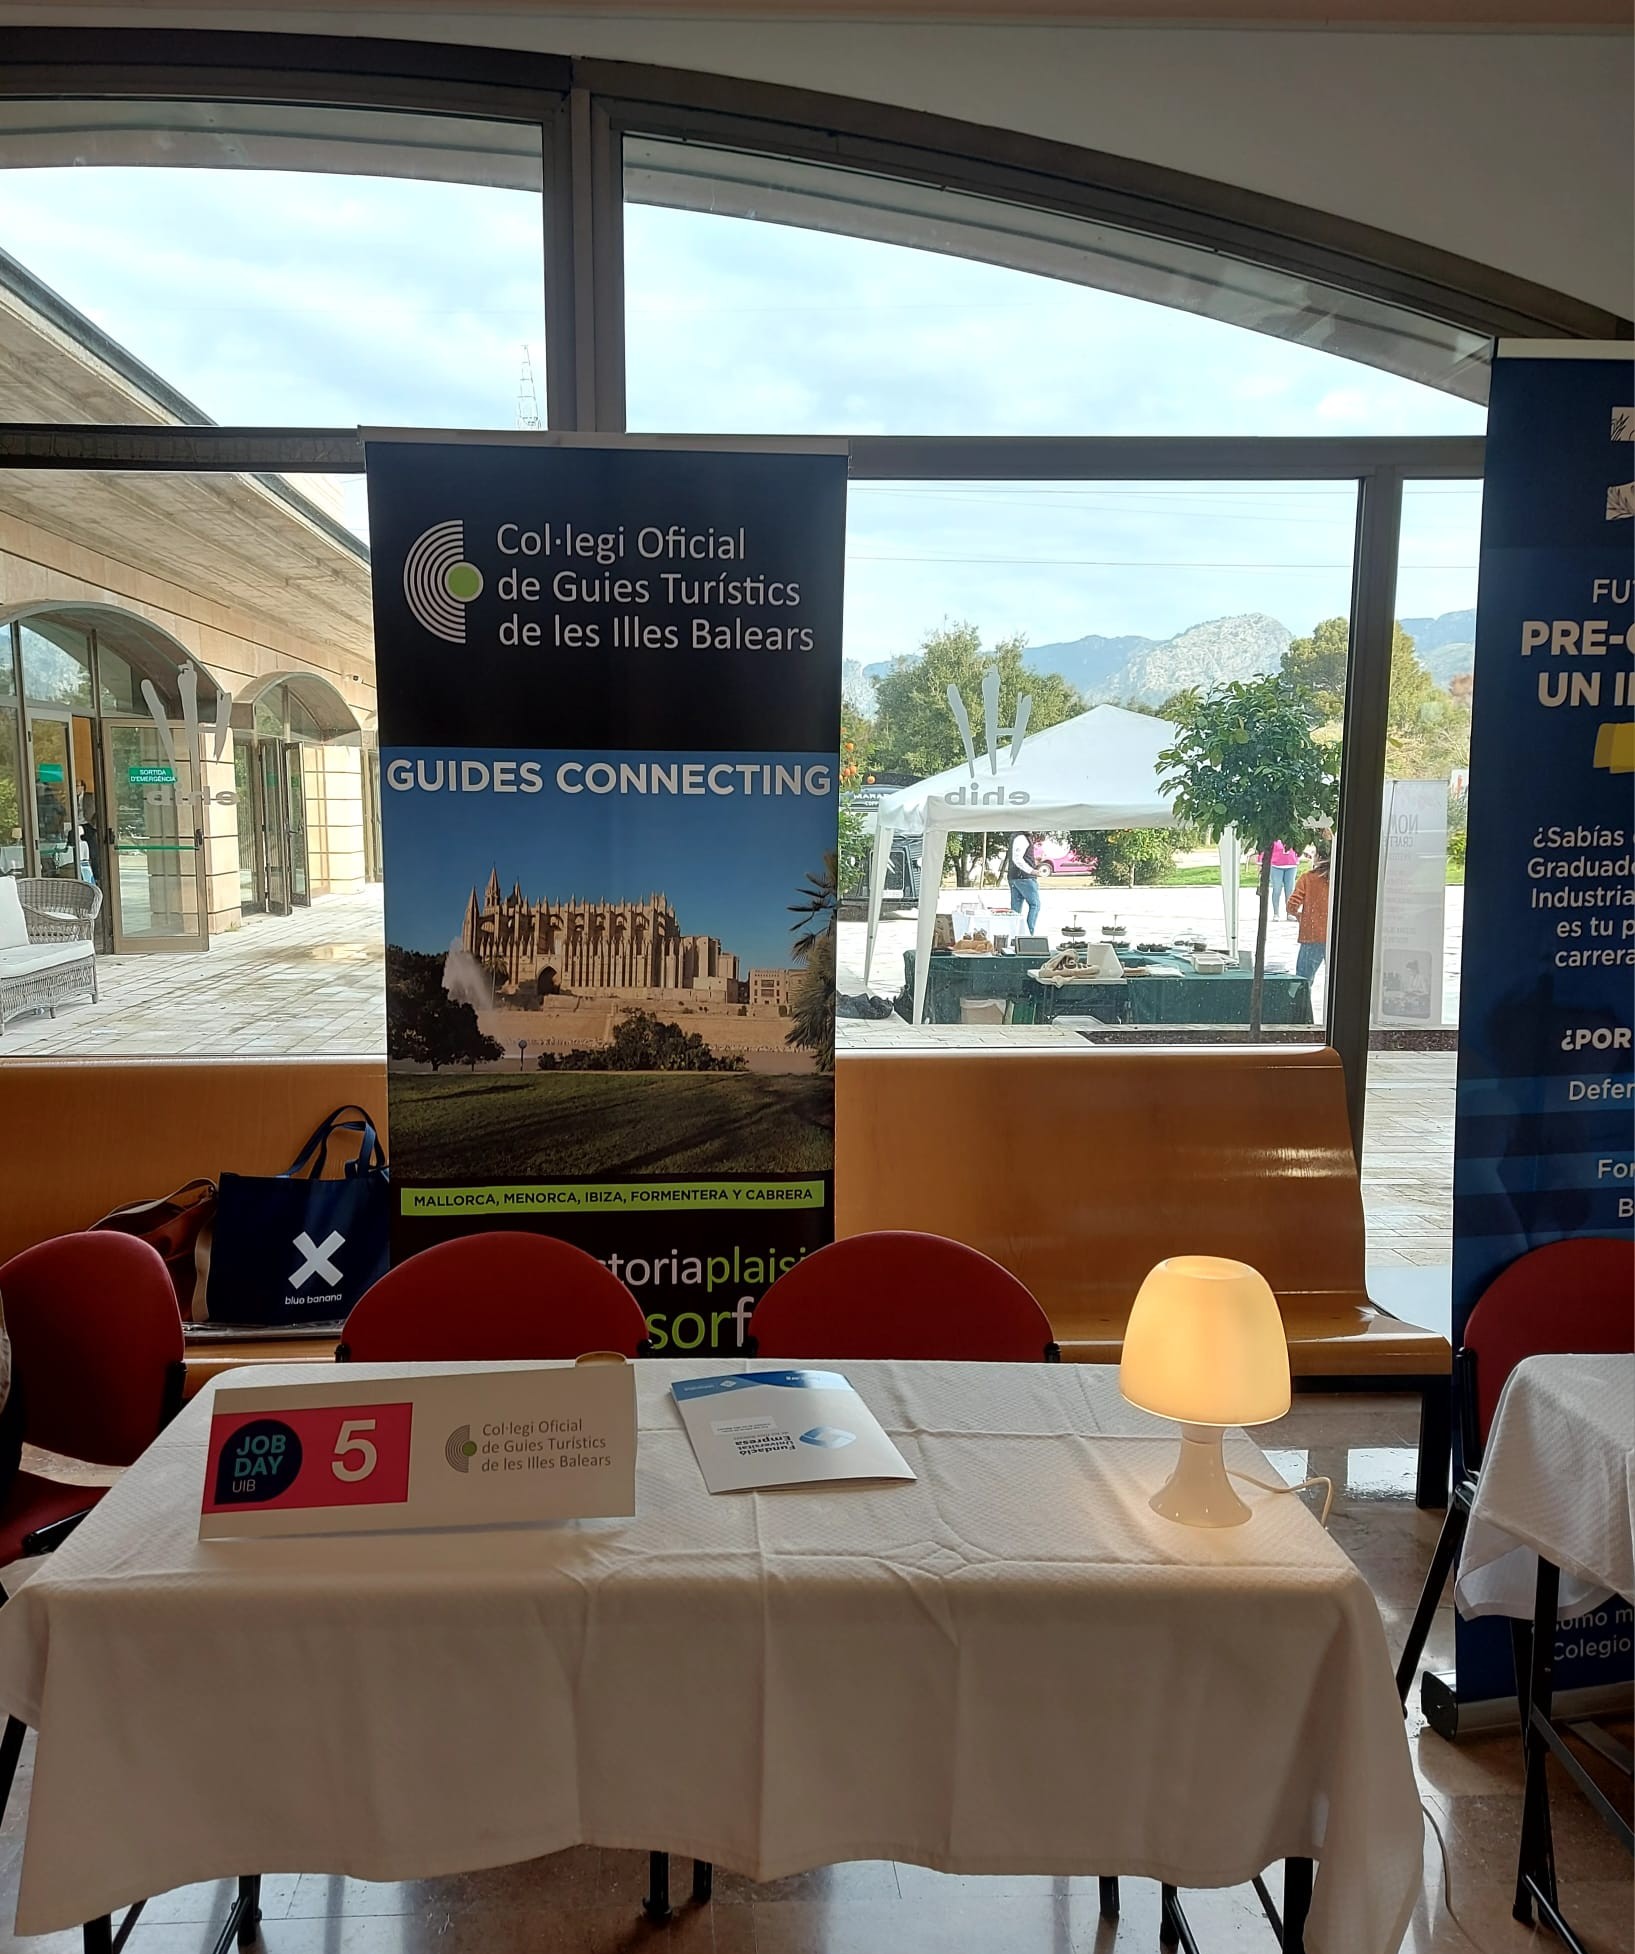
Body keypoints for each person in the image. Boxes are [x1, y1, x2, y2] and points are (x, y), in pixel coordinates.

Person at [1286, 852, 1331, 1000]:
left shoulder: (1308, 878)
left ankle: (1302, 1010)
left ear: (1318, 858)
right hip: (1335, 935)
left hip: (1312, 934)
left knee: (1304, 980)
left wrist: (1301, 916)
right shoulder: (1341, 878)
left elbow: (1292, 905)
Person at [1007, 830, 1044, 934]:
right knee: (1035, 905)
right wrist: (1031, 870)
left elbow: (1018, 857)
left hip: (1014, 876)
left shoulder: (1016, 836)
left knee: (1015, 910)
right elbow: (1017, 859)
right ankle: (1028, 934)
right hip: (1024, 877)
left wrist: (1033, 861)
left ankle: (1014, 936)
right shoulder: (1022, 838)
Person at [1258, 839, 1299, 918]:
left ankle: (1290, 913)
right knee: (1277, 889)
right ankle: (1276, 913)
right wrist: (1260, 862)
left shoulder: (1293, 836)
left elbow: (1298, 847)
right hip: (1276, 866)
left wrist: (1297, 857)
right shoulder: (1275, 837)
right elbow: (1265, 848)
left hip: (1291, 865)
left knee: (1290, 891)